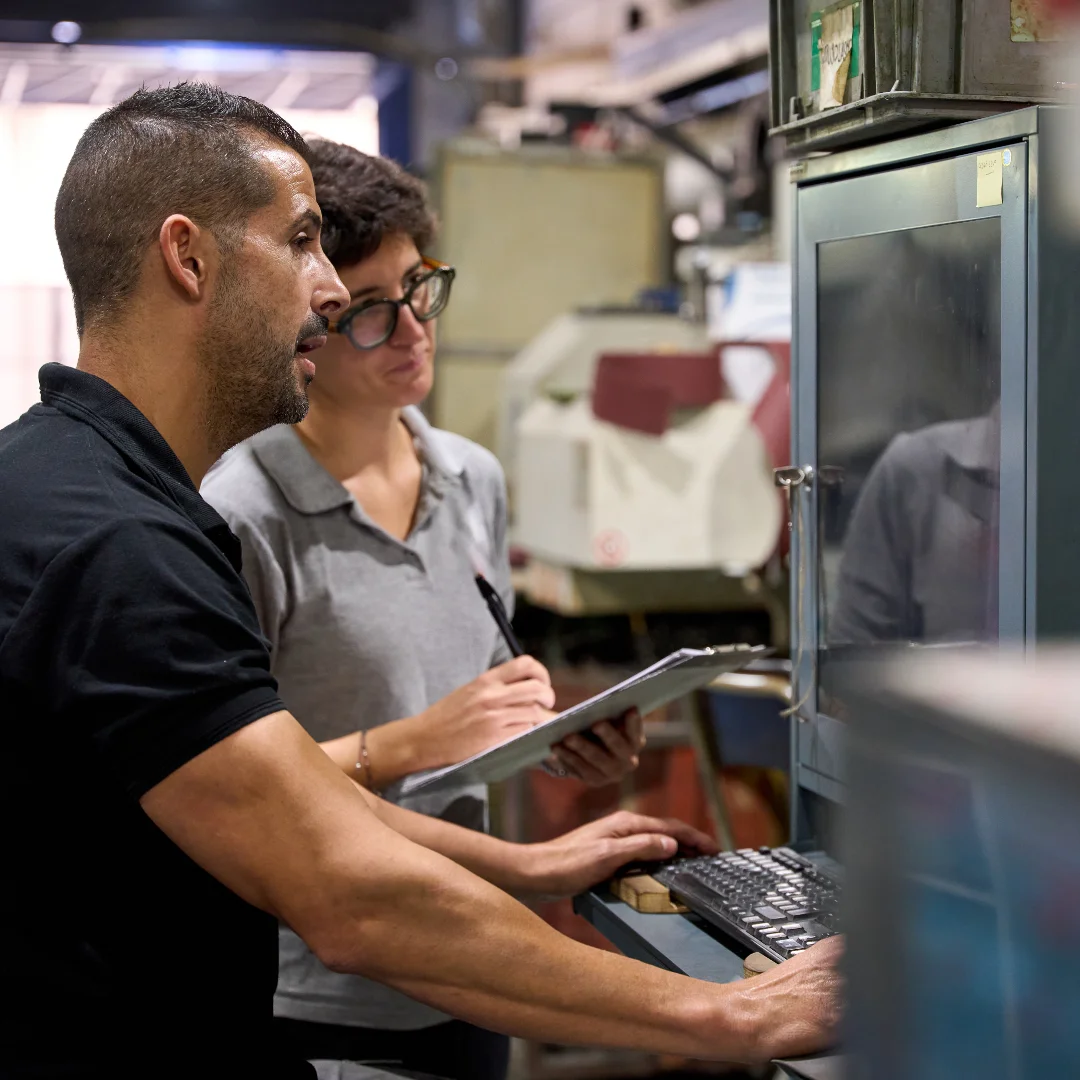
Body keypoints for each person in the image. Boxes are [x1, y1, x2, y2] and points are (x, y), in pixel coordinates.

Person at [0, 84, 841, 1080]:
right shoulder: (117, 547)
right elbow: (345, 894)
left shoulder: (71, 485)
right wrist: (735, 1014)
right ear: (188, 258)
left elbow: (296, 797)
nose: (326, 288)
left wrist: (527, 865)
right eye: (303, 240)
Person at [200, 139, 647, 1079]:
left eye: (420, 290)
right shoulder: (244, 510)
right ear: (307, 329)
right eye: (369, 311)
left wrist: (556, 737)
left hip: (473, 950)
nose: (412, 332)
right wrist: (411, 741)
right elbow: (223, 788)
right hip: (317, 984)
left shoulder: (470, 478)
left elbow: (472, 711)